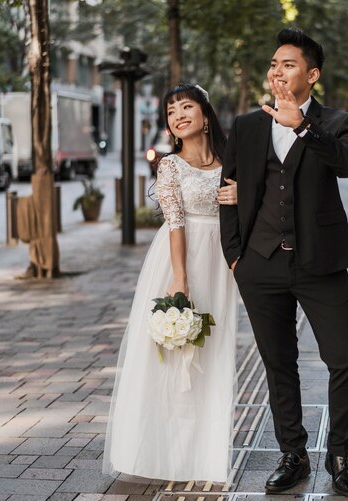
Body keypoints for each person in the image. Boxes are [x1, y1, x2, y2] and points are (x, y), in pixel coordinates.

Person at [220, 28, 348, 497]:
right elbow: (229, 191)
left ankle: (340, 455)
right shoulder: (247, 125)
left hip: (320, 262)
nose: (277, 71)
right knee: (278, 362)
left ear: (312, 74)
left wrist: (302, 125)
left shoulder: (336, 122)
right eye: (273, 64)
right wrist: (235, 256)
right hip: (260, 264)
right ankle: (293, 454)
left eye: (288, 64)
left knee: (345, 357)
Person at [104, 83, 239, 482]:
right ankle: (161, 453)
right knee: (173, 359)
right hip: (179, 260)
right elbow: (175, 222)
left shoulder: (230, 161)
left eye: (186, 107)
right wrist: (180, 281)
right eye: (171, 111)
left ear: (205, 113)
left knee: (212, 355)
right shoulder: (169, 165)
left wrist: (241, 197)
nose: (178, 115)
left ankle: (205, 456)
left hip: (220, 261)